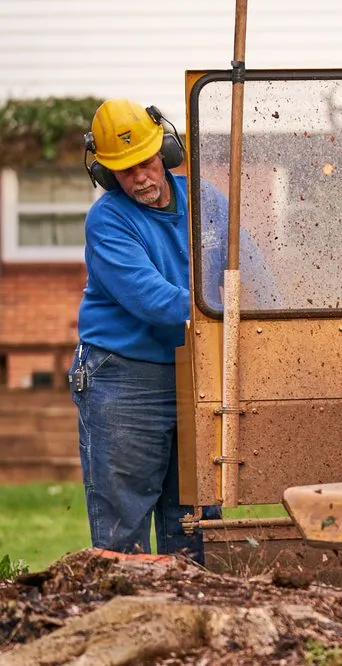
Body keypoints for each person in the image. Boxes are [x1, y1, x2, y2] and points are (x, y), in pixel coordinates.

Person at [68, 98, 221, 564]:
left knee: (196, 523)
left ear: (167, 151)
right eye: (123, 170)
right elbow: (153, 299)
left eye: (146, 162)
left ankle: (193, 624)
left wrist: (267, 313)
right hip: (123, 376)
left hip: (195, 370)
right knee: (123, 528)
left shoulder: (207, 201)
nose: (139, 178)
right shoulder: (108, 218)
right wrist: (223, 312)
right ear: (105, 174)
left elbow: (252, 269)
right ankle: (125, 622)